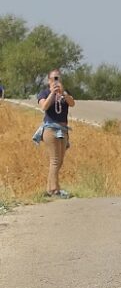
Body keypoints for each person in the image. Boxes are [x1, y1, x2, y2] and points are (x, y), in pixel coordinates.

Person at [34, 69, 75, 198]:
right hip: (50, 129)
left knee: (60, 160)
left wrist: (63, 93)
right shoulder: (44, 92)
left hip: (63, 129)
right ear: (48, 80)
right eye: (53, 78)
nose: (56, 81)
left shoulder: (65, 92)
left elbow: (72, 103)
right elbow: (44, 106)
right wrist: (52, 93)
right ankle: (54, 190)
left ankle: (49, 188)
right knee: (55, 160)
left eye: (58, 78)